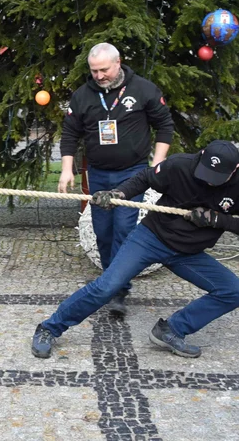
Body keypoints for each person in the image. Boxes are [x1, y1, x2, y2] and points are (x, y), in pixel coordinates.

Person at [32, 141, 239, 359]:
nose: (209, 180)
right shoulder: (180, 165)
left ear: (235, 170)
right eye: (206, 173)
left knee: (233, 292)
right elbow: (144, 178)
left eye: (216, 177)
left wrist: (217, 220)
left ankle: (171, 330)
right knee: (107, 286)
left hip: (189, 253)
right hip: (151, 238)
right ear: (200, 158)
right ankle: (49, 328)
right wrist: (118, 194)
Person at [57, 43, 174, 317]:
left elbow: (165, 126)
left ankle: (118, 289)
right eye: (94, 70)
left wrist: (157, 163)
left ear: (118, 62)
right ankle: (111, 280)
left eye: (104, 69)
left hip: (131, 173)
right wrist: (66, 169)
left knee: (123, 228)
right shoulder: (83, 96)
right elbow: (70, 134)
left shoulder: (143, 89)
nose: (99, 75)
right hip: (97, 173)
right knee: (103, 231)